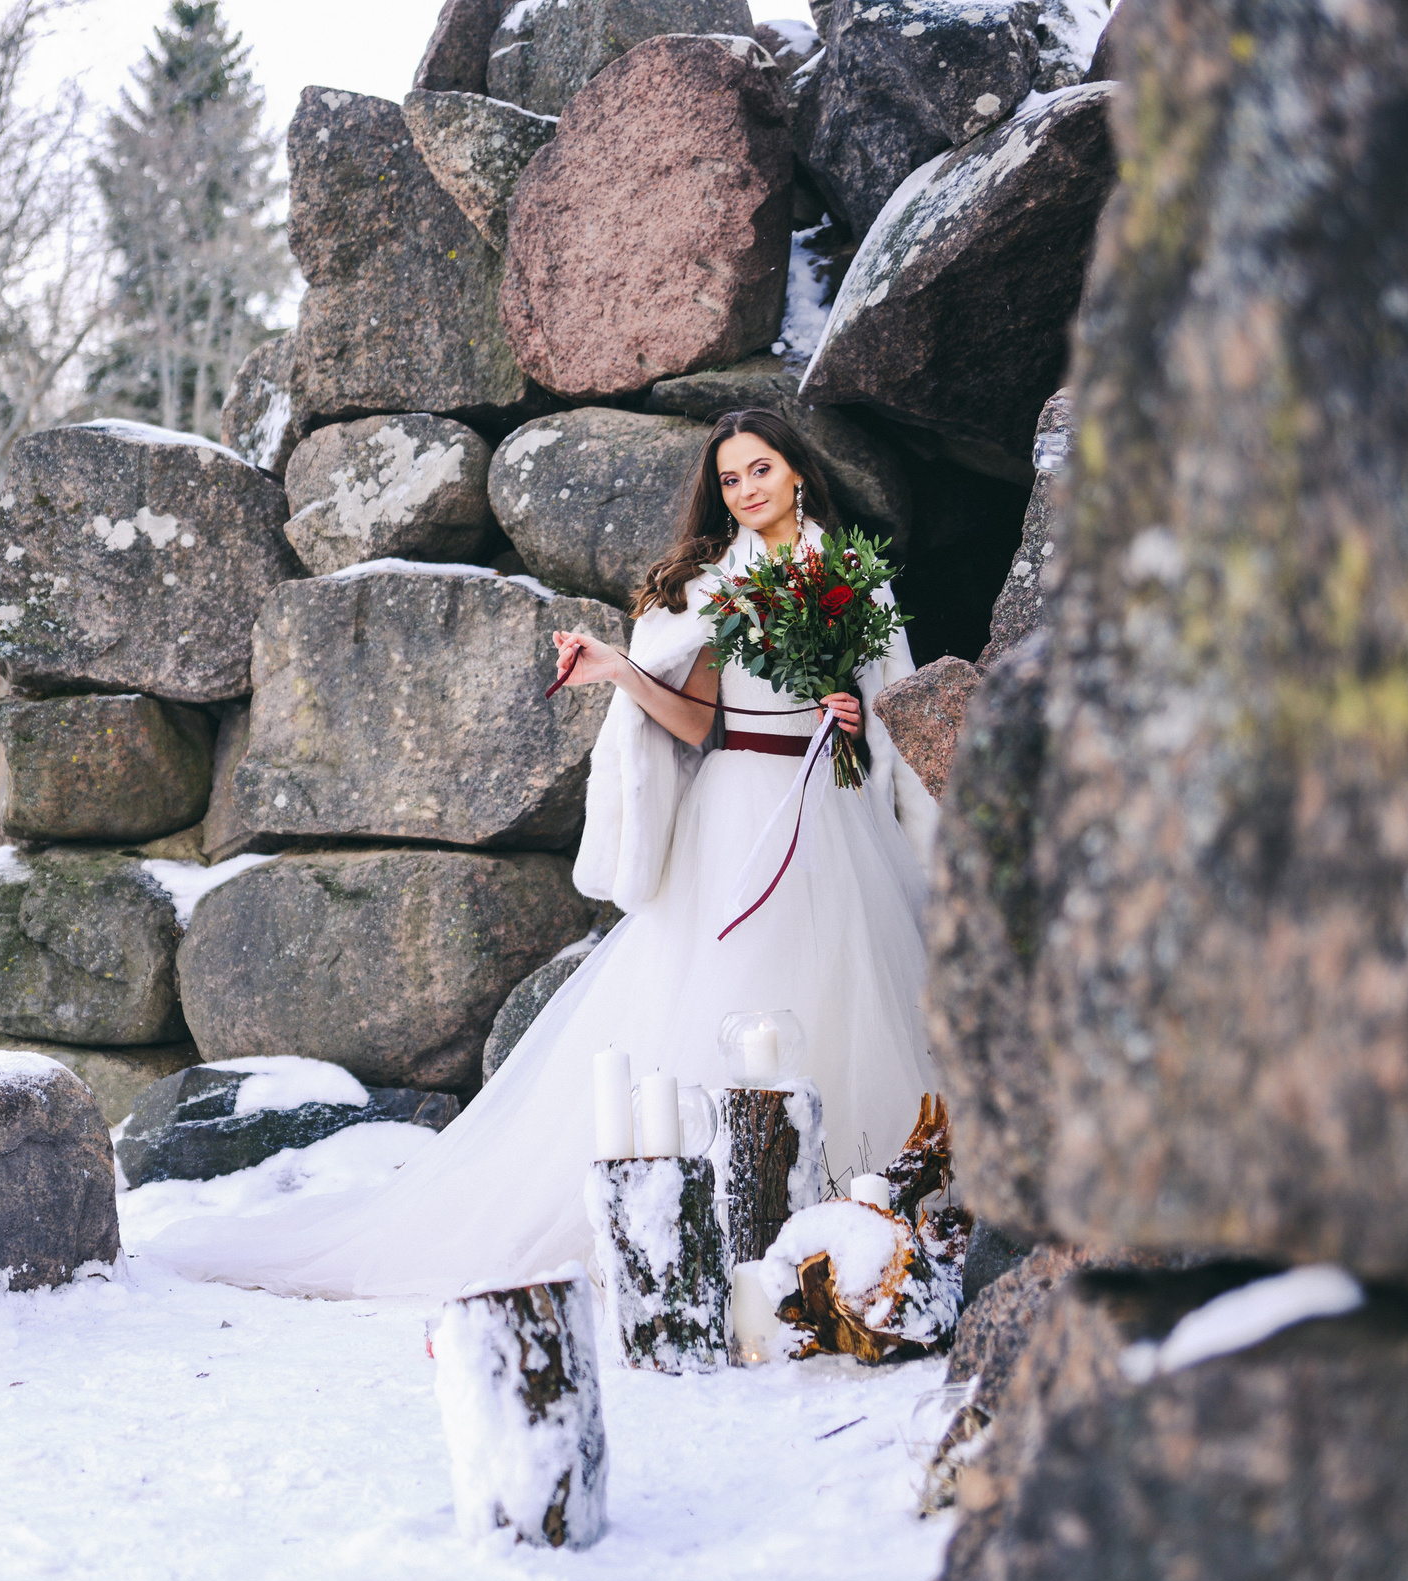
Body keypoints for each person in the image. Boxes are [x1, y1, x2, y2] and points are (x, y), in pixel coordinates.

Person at [140, 408, 940, 1299]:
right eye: (730, 479)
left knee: (844, 992)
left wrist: (854, 718)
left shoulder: (856, 585)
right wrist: (623, 673)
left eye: (761, 470)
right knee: (729, 1001)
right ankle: (722, 1226)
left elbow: (891, 718)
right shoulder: (716, 590)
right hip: (740, 808)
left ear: (798, 472)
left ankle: (849, 1224)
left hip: (831, 811)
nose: (747, 490)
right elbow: (701, 724)